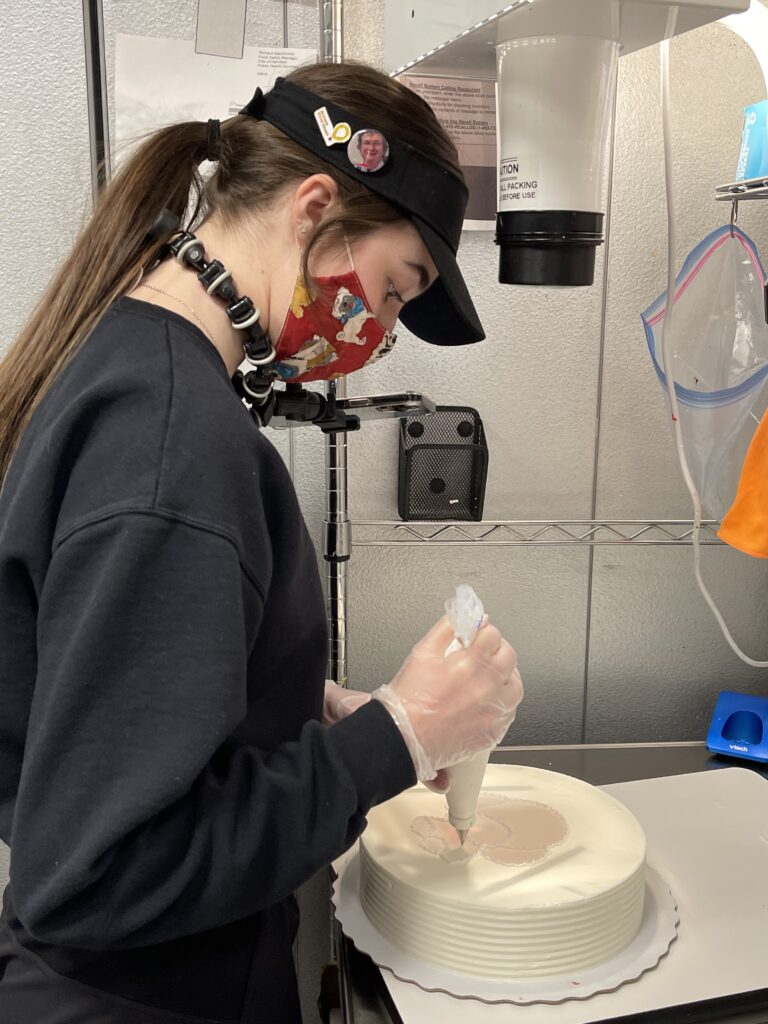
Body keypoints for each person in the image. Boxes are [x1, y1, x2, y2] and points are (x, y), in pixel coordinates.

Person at [0, 61, 523, 1023]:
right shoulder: (172, 445)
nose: (383, 334)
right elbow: (98, 876)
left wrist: (285, 708)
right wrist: (397, 739)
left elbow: (94, 688)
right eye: (395, 289)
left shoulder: (121, 355)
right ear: (315, 205)